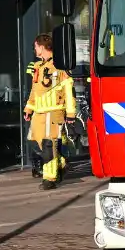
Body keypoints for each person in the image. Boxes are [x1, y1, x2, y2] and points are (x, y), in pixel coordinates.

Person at [24, 34, 75, 190]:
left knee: (48, 145)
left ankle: (50, 179)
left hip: (53, 111)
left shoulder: (59, 66)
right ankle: (61, 163)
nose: (34, 49)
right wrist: (28, 108)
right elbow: (35, 90)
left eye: (35, 46)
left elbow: (68, 89)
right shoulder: (38, 67)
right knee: (37, 142)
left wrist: (71, 113)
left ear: (41, 47)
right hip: (39, 112)